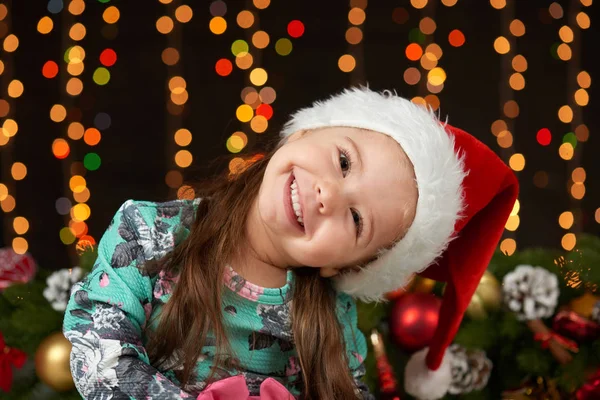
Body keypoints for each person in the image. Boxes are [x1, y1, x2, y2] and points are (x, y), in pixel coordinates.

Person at [63, 87, 518, 400]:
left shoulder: (329, 321)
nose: (328, 195)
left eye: (356, 220)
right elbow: (98, 347)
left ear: (348, 265)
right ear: (304, 131)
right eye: (343, 161)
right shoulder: (148, 231)